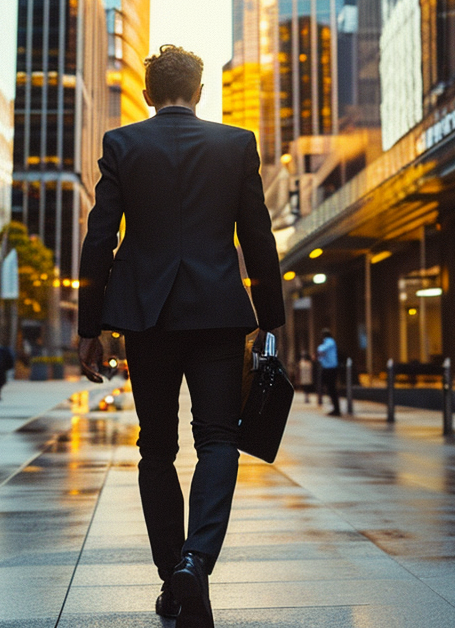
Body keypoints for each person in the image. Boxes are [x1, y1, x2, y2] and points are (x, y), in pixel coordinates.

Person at [77, 45, 284, 628]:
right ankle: (196, 562)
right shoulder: (236, 145)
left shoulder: (121, 145)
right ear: (198, 92)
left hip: (147, 316)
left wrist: (89, 326)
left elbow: (99, 240)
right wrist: (272, 319)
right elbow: (259, 239)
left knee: (157, 448)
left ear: (147, 93)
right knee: (219, 439)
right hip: (219, 312)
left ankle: (174, 573)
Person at [316, 328, 341, 416]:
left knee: (332, 388)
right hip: (329, 368)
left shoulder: (329, 342)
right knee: (330, 388)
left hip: (330, 369)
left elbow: (320, 349)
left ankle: (336, 409)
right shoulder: (330, 342)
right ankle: (335, 408)